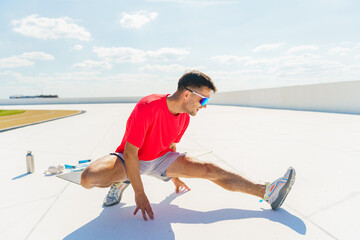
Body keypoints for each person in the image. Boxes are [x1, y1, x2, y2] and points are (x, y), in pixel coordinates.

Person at [80, 70, 295, 221]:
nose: (204, 106)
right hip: (131, 159)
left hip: (160, 159)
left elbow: (170, 148)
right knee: (88, 178)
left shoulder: (184, 117)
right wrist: (139, 193)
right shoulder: (147, 107)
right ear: (186, 94)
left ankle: (268, 192)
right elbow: (130, 153)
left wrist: (174, 176)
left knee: (210, 169)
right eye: (203, 100)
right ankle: (121, 181)